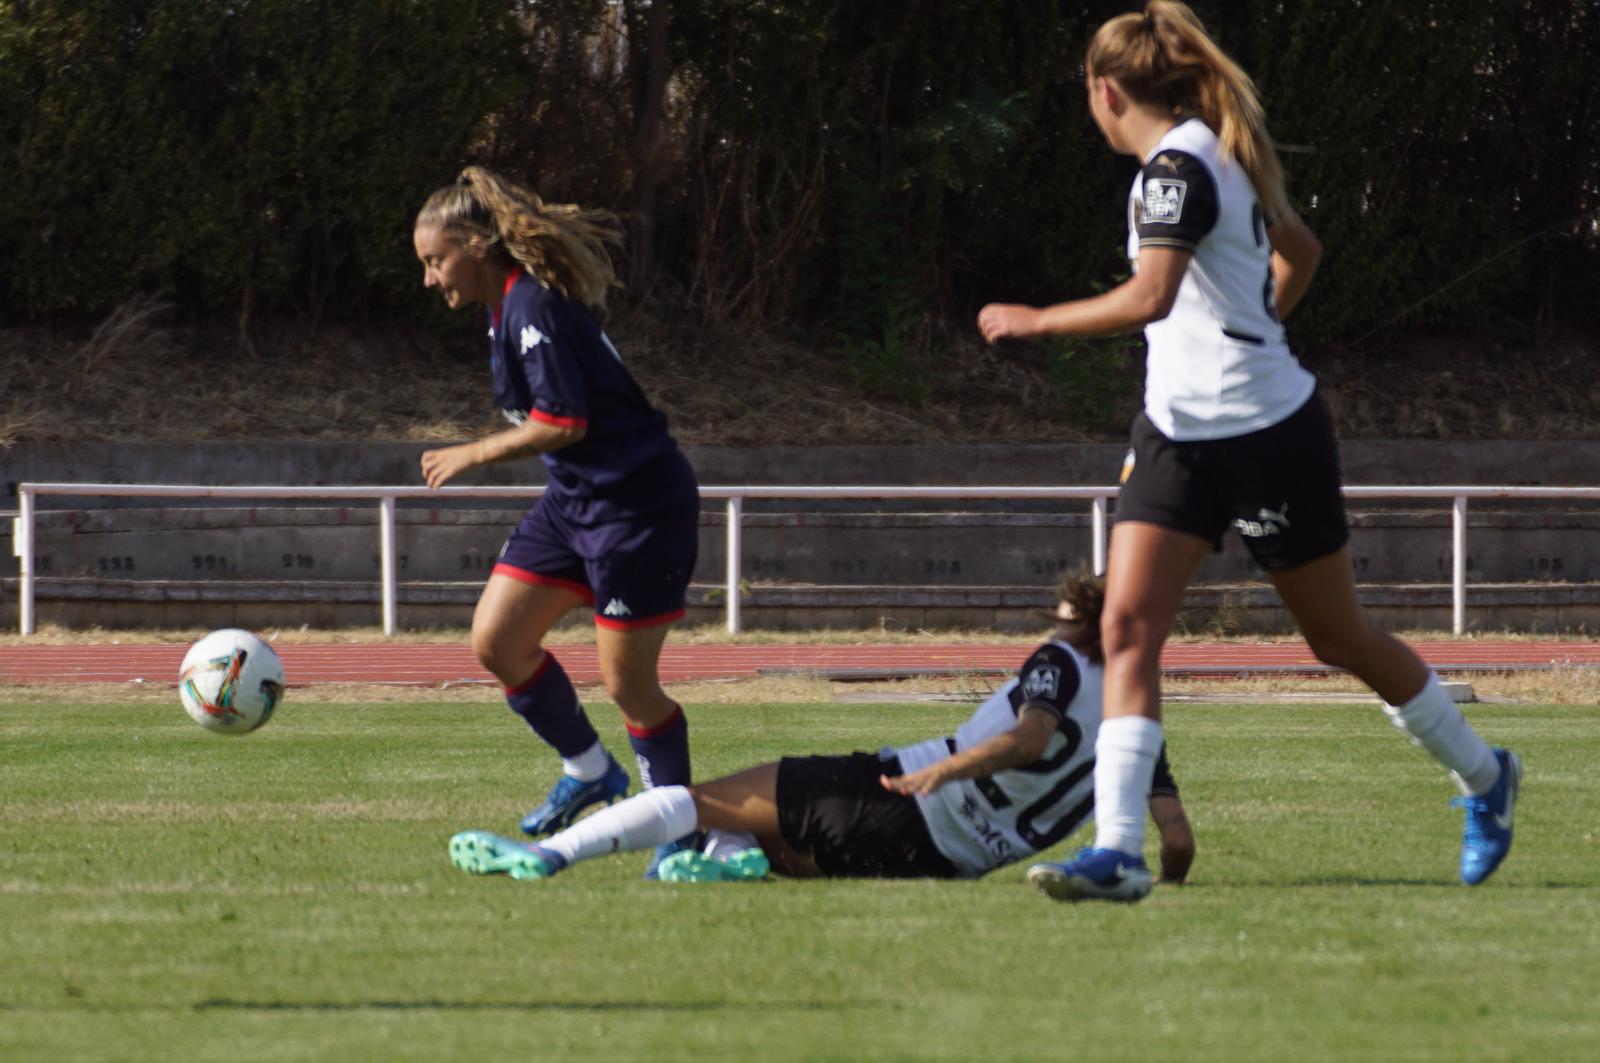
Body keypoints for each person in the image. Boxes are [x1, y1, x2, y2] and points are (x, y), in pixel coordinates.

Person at [978, 2, 1518, 903]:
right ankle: (1116, 850)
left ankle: (1485, 774)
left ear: (1105, 91)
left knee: (1335, 637)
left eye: (1086, 94)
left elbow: (1151, 297)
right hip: (1176, 440)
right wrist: (1258, 317)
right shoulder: (1205, 150)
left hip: (1267, 435)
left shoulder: (1177, 167)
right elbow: (1298, 252)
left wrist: (1035, 320)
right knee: (1123, 628)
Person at [445, 572, 1198, 889]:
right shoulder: (1143, 727)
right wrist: (1165, 889)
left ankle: (551, 853)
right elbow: (1177, 840)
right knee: (779, 837)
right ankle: (732, 860)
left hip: (904, 794)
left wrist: (946, 769)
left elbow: (1032, 737)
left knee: (697, 797)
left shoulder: (1063, 662)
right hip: (942, 865)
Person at [413, 167, 702, 877]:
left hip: (637, 509)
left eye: (435, 260)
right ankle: (590, 770)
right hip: (574, 504)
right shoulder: (503, 305)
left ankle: (680, 832)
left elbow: (564, 421)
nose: (428, 278)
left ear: (477, 246)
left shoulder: (532, 307)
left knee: (630, 687)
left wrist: (476, 450)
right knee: (497, 640)